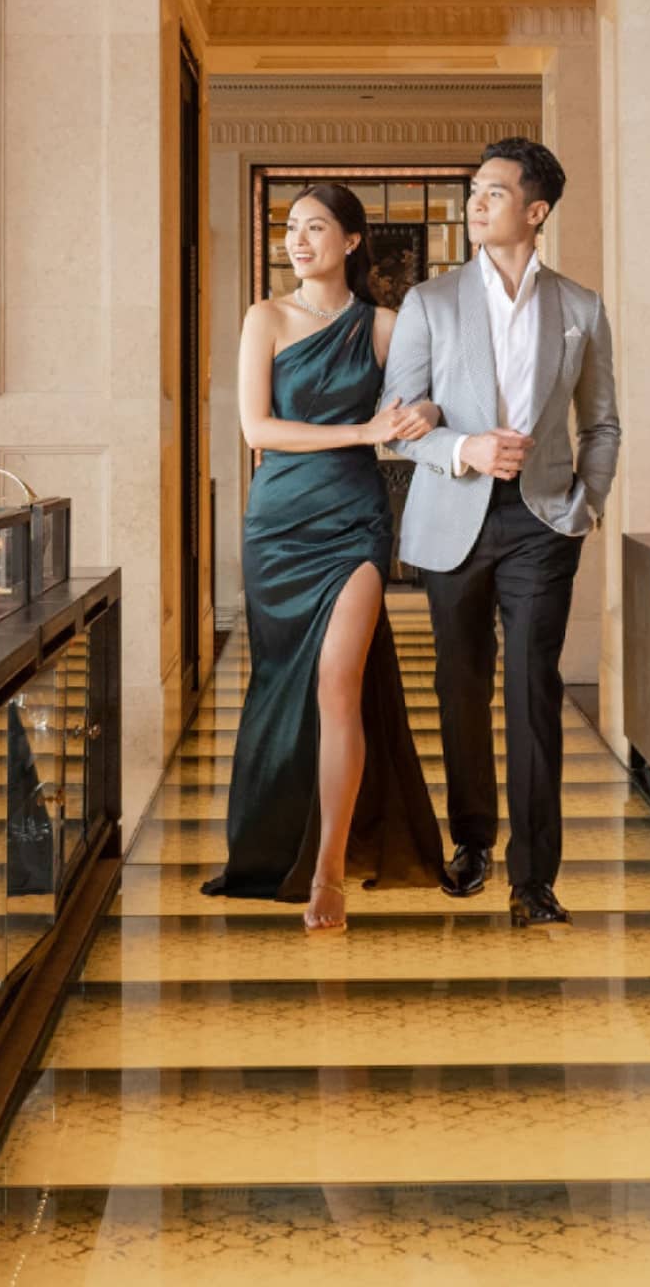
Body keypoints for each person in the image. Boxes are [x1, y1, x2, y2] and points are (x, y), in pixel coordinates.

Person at [382, 138, 621, 927]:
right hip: (455, 515)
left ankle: (534, 877)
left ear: (536, 210)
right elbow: (396, 427)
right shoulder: (431, 302)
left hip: (543, 523)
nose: (475, 203)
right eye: (473, 191)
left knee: (533, 691)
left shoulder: (581, 308)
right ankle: (473, 841)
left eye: (493, 192)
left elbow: (604, 422)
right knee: (460, 687)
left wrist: (586, 502)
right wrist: (463, 449)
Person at [203, 182, 446, 933]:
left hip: (355, 525)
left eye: (315, 228)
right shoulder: (264, 318)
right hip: (278, 526)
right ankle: (280, 839)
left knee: (340, 684)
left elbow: (429, 401)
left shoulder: (385, 325)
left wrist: (422, 413)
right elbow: (258, 429)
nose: (297, 241)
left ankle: (330, 872)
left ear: (350, 240)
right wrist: (360, 432)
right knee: (286, 687)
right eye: (290, 228)